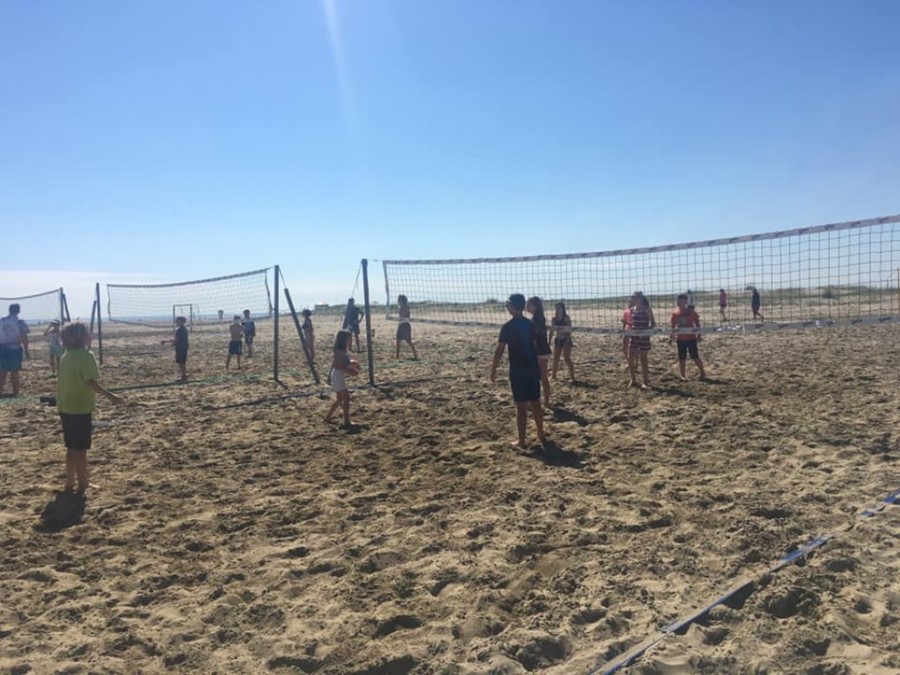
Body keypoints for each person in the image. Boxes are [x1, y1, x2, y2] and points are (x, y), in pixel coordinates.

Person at [56, 322, 125, 493]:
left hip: (65, 406)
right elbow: (90, 382)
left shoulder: (66, 355)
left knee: (71, 446)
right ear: (83, 337)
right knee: (80, 448)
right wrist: (111, 396)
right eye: (88, 332)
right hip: (79, 407)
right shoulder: (86, 356)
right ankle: (83, 483)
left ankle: (70, 481)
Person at [490, 293, 545, 449]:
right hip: (532, 368)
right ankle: (540, 433)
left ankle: (521, 441)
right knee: (535, 402)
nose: (506, 307)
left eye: (507, 305)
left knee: (521, 406)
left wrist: (493, 369)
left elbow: (499, 350)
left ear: (514, 307)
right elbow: (535, 346)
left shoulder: (508, 327)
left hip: (518, 370)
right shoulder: (530, 324)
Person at [670, 293, 707, 381]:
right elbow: (673, 327)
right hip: (680, 339)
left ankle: (702, 372)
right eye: (678, 300)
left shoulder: (690, 312)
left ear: (686, 302)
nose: (679, 302)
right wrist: (671, 337)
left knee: (695, 356)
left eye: (681, 300)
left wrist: (699, 335)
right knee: (681, 358)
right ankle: (683, 376)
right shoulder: (675, 313)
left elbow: (697, 323)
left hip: (691, 338)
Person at [325, 329, 357, 426]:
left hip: (337, 375)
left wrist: (353, 363)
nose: (350, 341)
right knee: (346, 397)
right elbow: (339, 366)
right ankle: (347, 421)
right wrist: (351, 372)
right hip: (338, 375)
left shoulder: (340, 351)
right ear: (344, 340)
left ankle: (328, 417)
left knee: (340, 399)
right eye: (349, 339)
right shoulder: (341, 352)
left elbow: (340, 363)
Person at [526, 296, 552, 408]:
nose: (526, 307)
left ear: (535, 306)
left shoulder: (536, 320)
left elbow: (535, 339)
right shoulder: (539, 318)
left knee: (538, 377)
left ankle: (542, 402)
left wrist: (532, 352)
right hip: (543, 350)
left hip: (539, 352)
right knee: (542, 377)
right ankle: (546, 402)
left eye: (529, 304)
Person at [0, 303, 30, 397]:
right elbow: (24, 337)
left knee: (2, 371)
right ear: (18, 311)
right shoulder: (20, 322)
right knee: (14, 371)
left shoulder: (2, 321)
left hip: (2, 348)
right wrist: (26, 351)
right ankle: (15, 392)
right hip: (14, 349)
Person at [627, 292, 655, 389]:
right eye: (633, 298)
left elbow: (653, 324)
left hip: (644, 337)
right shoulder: (632, 309)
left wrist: (645, 332)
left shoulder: (647, 309)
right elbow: (632, 323)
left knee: (643, 359)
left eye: (635, 298)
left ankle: (645, 381)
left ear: (640, 299)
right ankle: (633, 379)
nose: (633, 299)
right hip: (634, 336)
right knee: (630, 357)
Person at [549, 301, 575, 381]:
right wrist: (549, 341)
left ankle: (572, 377)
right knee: (555, 358)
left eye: (559, 308)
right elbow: (552, 331)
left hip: (566, 339)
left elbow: (569, 330)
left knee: (567, 358)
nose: (557, 309)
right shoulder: (554, 319)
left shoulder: (566, 318)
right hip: (558, 339)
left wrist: (567, 339)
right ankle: (553, 376)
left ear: (563, 308)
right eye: (556, 308)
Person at [164, 316, 189, 382]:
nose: (176, 322)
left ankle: (183, 376)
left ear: (182, 322)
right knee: (182, 362)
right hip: (184, 347)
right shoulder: (184, 329)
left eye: (177, 321)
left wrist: (169, 342)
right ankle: (184, 374)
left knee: (181, 362)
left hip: (180, 348)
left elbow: (176, 340)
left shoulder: (179, 330)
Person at [395, 294, 418, 360]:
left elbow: (404, 316)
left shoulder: (404, 307)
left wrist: (401, 317)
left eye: (399, 300)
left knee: (408, 341)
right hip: (402, 325)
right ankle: (397, 356)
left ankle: (415, 355)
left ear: (403, 301)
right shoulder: (401, 307)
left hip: (405, 325)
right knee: (398, 340)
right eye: (398, 300)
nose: (398, 301)